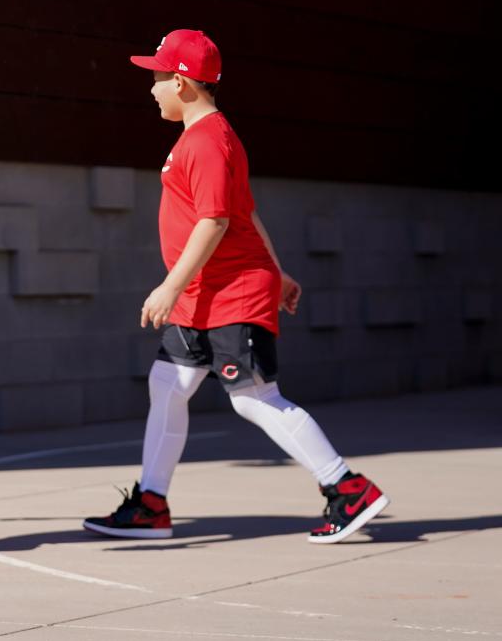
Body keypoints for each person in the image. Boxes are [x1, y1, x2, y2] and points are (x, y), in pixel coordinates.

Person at [82, 29, 388, 545]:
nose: (151, 88)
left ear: (181, 83)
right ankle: (151, 506)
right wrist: (280, 268)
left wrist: (169, 287)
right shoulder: (202, 138)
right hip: (204, 294)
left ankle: (347, 487)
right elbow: (246, 212)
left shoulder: (206, 141)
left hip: (228, 292)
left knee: (252, 397)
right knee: (168, 386)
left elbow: (217, 221)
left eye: (156, 78)